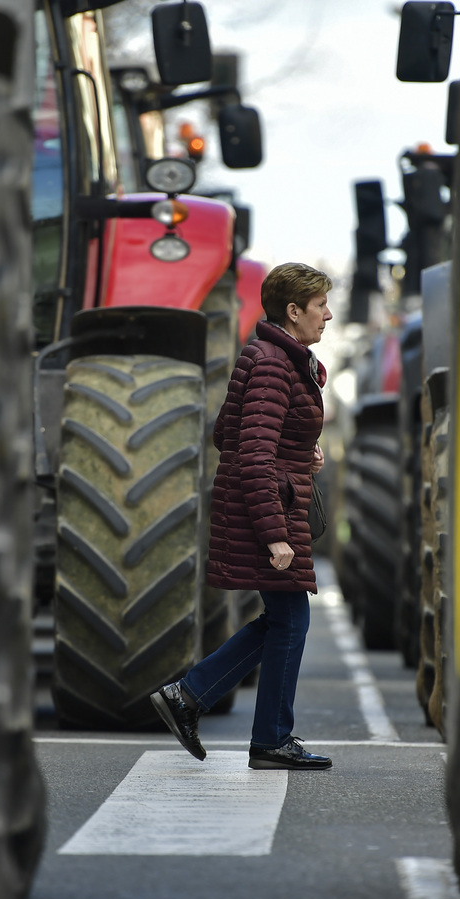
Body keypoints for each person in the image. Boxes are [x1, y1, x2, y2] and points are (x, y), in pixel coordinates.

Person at [150, 262, 334, 770]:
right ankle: (267, 737)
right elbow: (250, 454)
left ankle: (191, 698)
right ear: (293, 312)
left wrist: (301, 453)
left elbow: (226, 434)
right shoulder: (276, 363)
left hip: (267, 499)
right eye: (320, 306)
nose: (329, 315)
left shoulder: (270, 356)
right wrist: (275, 536)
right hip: (266, 508)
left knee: (283, 619)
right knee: (291, 620)